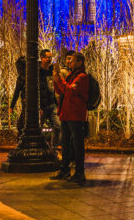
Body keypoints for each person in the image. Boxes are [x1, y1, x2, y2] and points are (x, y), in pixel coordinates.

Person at [10, 49, 61, 153]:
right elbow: (20, 90)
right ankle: (37, 148)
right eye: (47, 57)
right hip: (40, 106)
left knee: (57, 126)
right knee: (35, 128)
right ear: (42, 58)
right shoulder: (35, 73)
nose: (50, 59)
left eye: (51, 57)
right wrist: (12, 105)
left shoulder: (51, 71)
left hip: (51, 104)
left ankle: (53, 148)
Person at [52, 51, 89, 184]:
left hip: (75, 115)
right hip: (66, 114)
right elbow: (61, 91)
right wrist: (56, 79)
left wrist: (59, 80)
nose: (68, 62)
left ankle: (79, 172)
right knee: (65, 144)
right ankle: (64, 170)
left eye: (71, 60)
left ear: (79, 62)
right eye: (68, 60)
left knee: (77, 144)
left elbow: (69, 91)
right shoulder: (71, 76)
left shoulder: (82, 77)